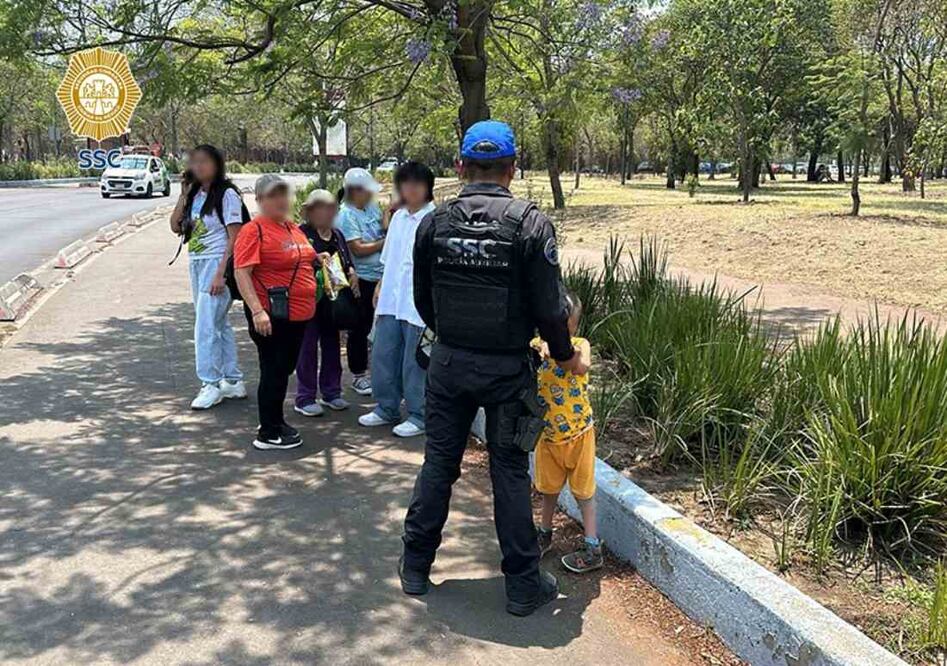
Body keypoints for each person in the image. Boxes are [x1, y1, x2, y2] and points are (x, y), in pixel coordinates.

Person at [400, 120, 589, 616]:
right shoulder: (530, 224)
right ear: (513, 167)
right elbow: (551, 307)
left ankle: (416, 567)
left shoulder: (433, 223)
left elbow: (424, 302)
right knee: (508, 470)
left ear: (460, 166)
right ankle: (523, 586)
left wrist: (456, 338)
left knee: (439, 463)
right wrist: (566, 356)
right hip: (507, 371)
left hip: (449, 363)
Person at [233, 174, 317, 450]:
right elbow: (242, 273)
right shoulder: (253, 230)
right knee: (274, 370)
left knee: (282, 370)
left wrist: (321, 259)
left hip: (297, 316)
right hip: (272, 315)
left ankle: (274, 419)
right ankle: (269, 433)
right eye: (272, 195)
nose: (281, 200)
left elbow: (304, 257)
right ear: (259, 200)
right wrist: (257, 311)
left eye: (283, 193)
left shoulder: (292, 227)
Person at [358, 162, 436, 438]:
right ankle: (386, 407)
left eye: (417, 183)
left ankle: (419, 414)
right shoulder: (400, 218)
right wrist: (380, 285)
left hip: (417, 305)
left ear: (428, 188)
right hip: (391, 298)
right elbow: (388, 258)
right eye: (405, 183)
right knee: (384, 353)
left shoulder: (433, 220)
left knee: (414, 362)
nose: (410, 189)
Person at [169, 144, 247, 410]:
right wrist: (183, 193)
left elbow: (236, 237)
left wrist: (221, 274)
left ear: (217, 164)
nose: (198, 166)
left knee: (204, 326)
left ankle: (210, 383)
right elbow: (175, 226)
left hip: (216, 264)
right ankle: (233, 380)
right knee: (217, 324)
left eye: (204, 161)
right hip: (197, 263)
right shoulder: (195, 195)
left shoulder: (227, 195)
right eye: (194, 162)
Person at [533, 292, 601, 573]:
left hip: (578, 435)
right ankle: (545, 532)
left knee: (584, 492)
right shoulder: (536, 344)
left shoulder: (580, 345)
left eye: (566, 324)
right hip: (548, 436)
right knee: (547, 489)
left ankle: (592, 546)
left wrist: (562, 351)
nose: (560, 330)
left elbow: (581, 366)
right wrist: (541, 349)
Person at [294, 188, 358, 417]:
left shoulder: (338, 235)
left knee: (331, 346)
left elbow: (347, 261)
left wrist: (351, 272)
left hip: (333, 302)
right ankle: (305, 397)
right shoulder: (300, 234)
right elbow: (293, 262)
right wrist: (314, 260)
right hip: (308, 300)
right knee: (307, 348)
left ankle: (331, 392)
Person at [337, 167, 385, 397]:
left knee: (379, 327)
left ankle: (379, 371)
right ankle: (358, 374)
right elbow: (357, 248)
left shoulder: (371, 208)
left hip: (379, 276)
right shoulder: (346, 215)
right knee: (359, 327)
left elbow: (382, 228)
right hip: (362, 278)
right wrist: (385, 242)